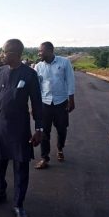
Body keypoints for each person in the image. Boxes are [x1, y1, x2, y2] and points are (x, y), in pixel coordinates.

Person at [0, 39, 43, 217]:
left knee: (20, 166)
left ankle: (18, 204)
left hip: (19, 128)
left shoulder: (29, 74)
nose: (1, 54)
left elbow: (37, 104)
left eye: (3, 51)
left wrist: (39, 128)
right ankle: (0, 193)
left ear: (14, 54)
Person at [34, 41, 75, 169]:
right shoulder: (38, 66)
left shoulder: (64, 62)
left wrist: (71, 99)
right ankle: (44, 158)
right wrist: (35, 105)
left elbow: (70, 80)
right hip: (45, 103)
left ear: (50, 51)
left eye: (41, 51)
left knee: (62, 129)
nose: (39, 53)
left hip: (61, 102)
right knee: (43, 131)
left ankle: (60, 148)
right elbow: (37, 86)